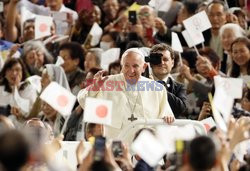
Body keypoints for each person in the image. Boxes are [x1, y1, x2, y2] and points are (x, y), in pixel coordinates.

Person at [78, 48, 175, 143]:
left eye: (135, 66)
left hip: (144, 148)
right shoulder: (107, 82)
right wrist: (95, 88)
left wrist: (167, 117)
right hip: (116, 146)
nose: (131, 70)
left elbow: (166, 116)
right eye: (126, 66)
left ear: (144, 67)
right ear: (122, 66)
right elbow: (84, 102)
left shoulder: (156, 89)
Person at [149, 43, 187, 118]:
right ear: (151, 63)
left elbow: (180, 109)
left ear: (172, 63)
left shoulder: (179, 87)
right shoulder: (142, 83)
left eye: (165, 59)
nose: (161, 63)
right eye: (157, 59)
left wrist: (157, 88)